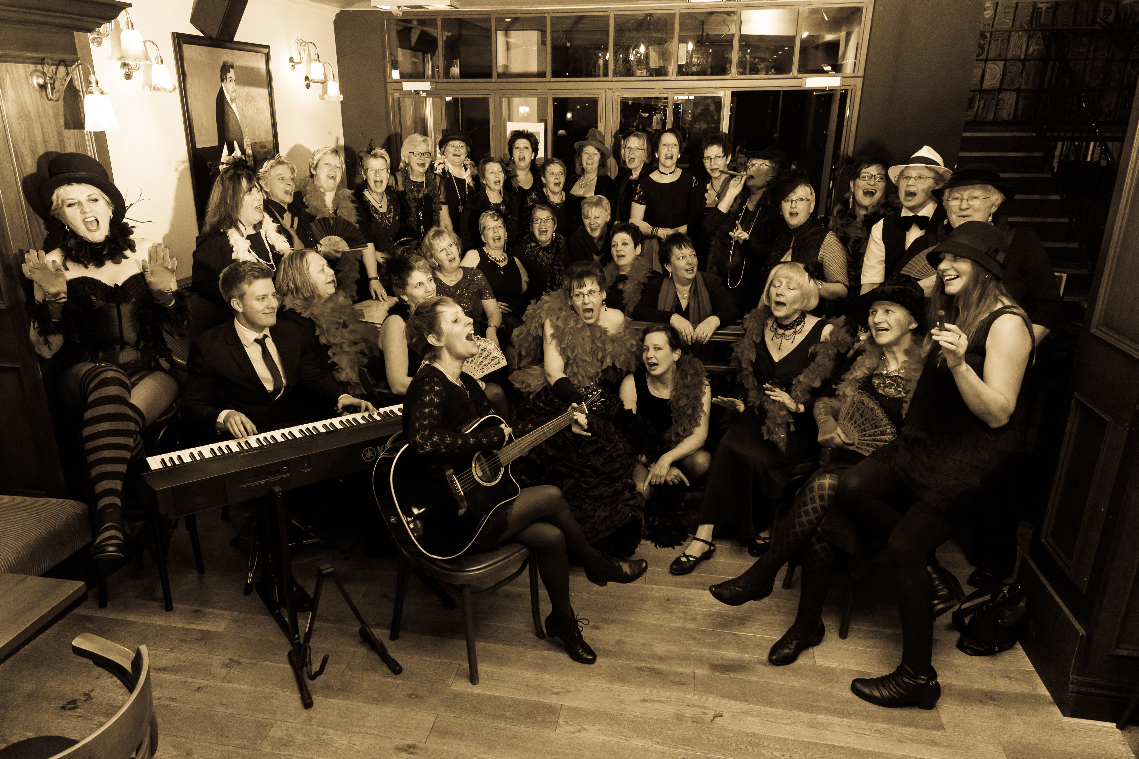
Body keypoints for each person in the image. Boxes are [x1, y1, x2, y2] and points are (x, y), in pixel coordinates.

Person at [837, 222, 1035, 709]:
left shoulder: (1007, 324)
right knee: (853, 485)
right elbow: (904, 297)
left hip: (969, 457)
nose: (944, 266)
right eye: (941, 258)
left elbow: (999, 413)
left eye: (955, 259)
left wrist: (962, 364)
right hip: (924, 441)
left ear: (985, 268)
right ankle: (936, 576)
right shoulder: (957, 305)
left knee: (904, 544)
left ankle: (917, 677)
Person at [401, 295, 647, 664]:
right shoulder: (430, 383)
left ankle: (563, 622)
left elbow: (502, 439)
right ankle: (596, 563)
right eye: (455, 320)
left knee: (552, 537)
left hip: (475, 504)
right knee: (551, 495)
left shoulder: (466, 382)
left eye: (465, 316)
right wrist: (487, 440)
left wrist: (562, 423)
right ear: (435, 339)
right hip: (449, 520)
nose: (469, 322)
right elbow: (423, 441)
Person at [708, 279, 927, 640]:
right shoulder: (862, 357)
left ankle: (767, 577)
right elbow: (825, 400)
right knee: (825, 512)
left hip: (890, 480)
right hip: (846, 463)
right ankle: (804, 624)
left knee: (825, 492)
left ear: (913, 321)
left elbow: (926, 438)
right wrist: (825, 423)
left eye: (888, 311)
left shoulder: (929, 369)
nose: (877, 319)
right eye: (873, 312)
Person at [22, 153, 188, 560]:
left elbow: (180, 339)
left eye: (93, 199)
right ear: (61, 217)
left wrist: (166, 298)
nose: (86, 210)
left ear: (110, 207)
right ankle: (122, 513)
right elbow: (46, 348)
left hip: (150, 372)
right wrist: (53, 301)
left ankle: (110, 519)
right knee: (108, 381)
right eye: (72, 204)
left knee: (118, 412)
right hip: (84, 374)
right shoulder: (52, 266)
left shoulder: (148, 254)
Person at [668, 262, 852, 574]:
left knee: (763, 457)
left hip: (799, 424)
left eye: (789, 287)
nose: (779, 291)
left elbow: (836, 394)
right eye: (775, 284)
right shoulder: (757, 325)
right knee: (728, 445)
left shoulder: (826, 333)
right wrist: (740, 401)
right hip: (756, 413)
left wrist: (799, 407)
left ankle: (763, 523)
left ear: (805, 296)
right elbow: (746, 376)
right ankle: (703, 536)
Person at [936, 163, 1062, 586]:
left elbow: (1048, 305)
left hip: (1003, 362)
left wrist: (1013, 346)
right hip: (953, 362)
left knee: (995, 461)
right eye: (955, 197)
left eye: (974, 196)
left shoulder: (1021, 241)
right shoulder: (942, 246)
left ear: (996, 203)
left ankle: (995, 559)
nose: (962, 204)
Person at [510, 261, 644, 555]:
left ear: (603, 294)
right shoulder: (555, 320)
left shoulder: (616, 320)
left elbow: (622, 364)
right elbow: (553, 372)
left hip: (599, 399)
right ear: (569, 299)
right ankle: (569, 540)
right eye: (578, 294)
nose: (586, 300)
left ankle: (604, 538)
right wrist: (578, 404)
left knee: (612, 448)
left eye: (592, 292)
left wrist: (617, 396)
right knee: (572, 453)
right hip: (561, 397)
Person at [181, 260, 375, 444]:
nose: (273, 304)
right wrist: (224, 416)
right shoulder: (209, 347)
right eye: (262, 298)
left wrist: (341, 397)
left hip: (297, 429)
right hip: (245, 441)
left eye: (273, 295)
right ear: (237, 305)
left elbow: (313, 378)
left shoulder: (290, 331)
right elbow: (192, 407)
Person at [619, 324, 712, 547]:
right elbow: (628, 436)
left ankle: (677, 492)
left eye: (658, 348)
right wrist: (656, 464)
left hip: (678, 452)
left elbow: (700, 435)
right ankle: (666, 494)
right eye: (646, 349)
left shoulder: (699, 384)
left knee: (702, 461)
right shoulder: (631, 383)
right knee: (641, 492)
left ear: (676, 353)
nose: (649, 355)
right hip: (643, 454)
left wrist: (667, 459)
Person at [191, 155, 292, 336]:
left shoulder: (272, 232)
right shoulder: (214, 241)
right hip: (243, 329)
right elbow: (204, 288)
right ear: (230, 200)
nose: (258, 197)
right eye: (249, 193)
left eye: (258, 191)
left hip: (284, 317)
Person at [274, 249, 377, 397]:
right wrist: (342, 397)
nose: (331, 272)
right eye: (321, 270)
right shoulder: (291, 321)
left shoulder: (336, 308)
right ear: (300, 279)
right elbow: (310, 378)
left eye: (328, 266)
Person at [860, 145, 951, 295]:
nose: (910, 183)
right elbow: (870, 285)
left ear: (937, 185)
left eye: (920, 177)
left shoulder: (950, 222)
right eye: (906, 177)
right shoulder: (882, 226)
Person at [704, 149, 785, 313]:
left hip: (749, 294)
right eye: (750, 164)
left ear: (773, 175)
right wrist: (731, 194)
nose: (751, 168)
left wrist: (747, 244)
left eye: (760, 165)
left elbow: (773, 255)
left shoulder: (774, 211)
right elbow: (708, 227)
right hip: (718, 284)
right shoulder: (737, 201)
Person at [296, 146, 375, 302]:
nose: (333, 169)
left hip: (353, 284)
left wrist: (374, 278)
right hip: (316, 288)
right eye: (327, 164)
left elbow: (366, 242)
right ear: (313, 169)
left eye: (338, 167)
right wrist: (320, 249)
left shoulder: (352, 202)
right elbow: (295, 246)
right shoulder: (298, 201)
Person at [632, 233, 740, 346]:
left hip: (705, 353)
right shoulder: (657, 286)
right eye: (681, 257)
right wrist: (672, 318)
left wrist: (713, 320)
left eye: (693, 255)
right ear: (668, 266)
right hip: (669, 353)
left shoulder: (710, 282)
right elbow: (639, 311)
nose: (690, 261)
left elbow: (733, 313)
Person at [766, 172, 849, 304]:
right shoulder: (781, 238)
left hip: (810, 314)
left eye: (800, 199)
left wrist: (811, 284)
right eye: (787, 200)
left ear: (811, 206)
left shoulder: (826, 238)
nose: (793, 205)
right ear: (781, 209)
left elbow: (842, 290)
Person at [461, 211, 533, 357]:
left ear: (505, 234)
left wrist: (529, 315)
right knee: (521, 344)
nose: (495, 231)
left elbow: (530, 295)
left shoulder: (515, 261)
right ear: (483, 237)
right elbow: (457, 290)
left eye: (499, 226)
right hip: (485, 320)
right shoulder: (474, 256)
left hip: (516, 319)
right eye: (489, 228)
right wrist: (488, 305)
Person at [629, 129, 701, 272]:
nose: (669, 149)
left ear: (679, 152)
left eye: (674, 145)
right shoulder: (644, 184)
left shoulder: (690, 180)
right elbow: (634, 223)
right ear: (656, 152)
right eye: (665, 145)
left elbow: (697, 219)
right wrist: (659, 231)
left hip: (685, 252)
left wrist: (675, 233)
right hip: (654, 255)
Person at [421, 226, 502, 349]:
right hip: (446, 347)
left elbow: (494, 312)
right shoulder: (430, 281)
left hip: (477, 343)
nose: (449, 252)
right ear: (434, 259)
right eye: (441, 250)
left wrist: (491, 329)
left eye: (451, 245)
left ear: (457, 247)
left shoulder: (475, 275)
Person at [829, 154, 897, 291]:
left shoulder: (892, 224)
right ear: (852, 185)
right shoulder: (837, 219)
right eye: (865, 177)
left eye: (879, 178)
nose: (872, 183)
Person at [380, 253, 437, 395]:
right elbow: (398, 385)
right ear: (404, 295)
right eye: (419, 285)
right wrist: (448, 388)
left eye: (430, 280)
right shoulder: (395, 323)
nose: (430, 289)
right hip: (415, 398)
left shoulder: (436, 314)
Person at [354, 145, 402, 297]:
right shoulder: (355, 203)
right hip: (367, 276)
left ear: (388, 173)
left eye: (382, 169)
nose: (377, 174)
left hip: (396, 274)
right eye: (371, 170)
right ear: (364, 174)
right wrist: (372, 254)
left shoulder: (396, 199)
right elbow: (352, 240)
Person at [460, 157, 518, 252]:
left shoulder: (512, 201)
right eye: (492, 172)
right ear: (483, 179)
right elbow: (467, 240)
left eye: (500, 171)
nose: (497, 176)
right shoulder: (472, 204)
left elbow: (516, 234)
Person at [602, 222, 660, 315]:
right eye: (614, 245)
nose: (618, 249)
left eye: (624, 243)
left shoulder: (652, 278)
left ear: (638, 249)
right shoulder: (601, 278)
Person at [393, 133, 441, 242]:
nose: (422, 157)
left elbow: (444, 221)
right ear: (406, 157)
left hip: (431, 243)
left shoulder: (437, 181)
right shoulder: (394, 181)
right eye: (417, 153)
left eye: (426, 154)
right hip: (402, 244)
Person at [567, 128, 617, 231]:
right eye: (586, 153)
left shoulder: (608, 184)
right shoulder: (571, 180)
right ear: (580, 156)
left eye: (595, 154)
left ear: (600, 159)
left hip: (594, 237)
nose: (590, 158)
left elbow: (610, 219)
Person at [513, 203, 569, 295]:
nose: (542, 223)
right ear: (531, 227)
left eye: (547, 219)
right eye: (537, 220)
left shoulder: (564, 247)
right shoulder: (520, 251)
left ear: (555, 225)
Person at [258, 154, 307, 249]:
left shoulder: (300, 212)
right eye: (281, 178)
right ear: (265, 185)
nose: (290, 183)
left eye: (291, 178)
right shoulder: (262, 219)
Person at [436, 132, 477, 237]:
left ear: (467, 151)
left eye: (461, 146)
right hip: (447, 233)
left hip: (471, 232)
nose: (457, 149)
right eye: (452, 145)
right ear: (443, 150)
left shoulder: (474, 175)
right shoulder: (438, 175)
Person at [522, 158, 571, 238]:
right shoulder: (534, 197)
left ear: (564, 178)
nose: (557, 177)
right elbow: (527, 229)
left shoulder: (572, 200)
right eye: (552, 173)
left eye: (560, 173)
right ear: (543, 179)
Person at [613, 130, 651, 223]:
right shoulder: (621, 177)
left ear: (645, 154)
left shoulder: (651, 179)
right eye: (628, 148)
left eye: (637, 148)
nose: (631, 152)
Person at [567, 195, 612, 266]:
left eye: (596, 217)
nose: (591, 222)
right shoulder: (577, 238)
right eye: (587, 217)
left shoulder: (617, 233)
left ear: (607, 217)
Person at [215, 60, 246, 157]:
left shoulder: (229, 96)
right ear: (224, 80)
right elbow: (226, 136)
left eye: (234, 81)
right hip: (232, 155)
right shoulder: (221, 99)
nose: (234, 85)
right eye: (230, 80)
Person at [506, 129, 543, 205]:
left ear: (533, 154)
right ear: (512, 155)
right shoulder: (504, 178)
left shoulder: (541, 178)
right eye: (517, 148)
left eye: (526, 147)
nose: (521, 151)